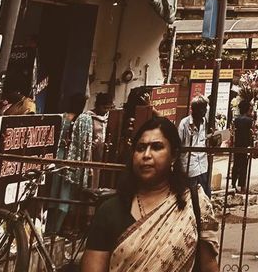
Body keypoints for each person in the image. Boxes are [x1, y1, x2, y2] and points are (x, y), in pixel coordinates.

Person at [82, 116, 218, 272]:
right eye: (140, 148)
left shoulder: (194, 205)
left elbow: (209, 266)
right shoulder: (109, 211)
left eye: (157, 147)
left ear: (173, 156)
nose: (146, 155)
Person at [46, 93, 95, 235]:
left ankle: (52, 228)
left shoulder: (64, 117)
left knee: (57, 193)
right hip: (70, 161)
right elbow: (86, 145)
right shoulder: (83, 119)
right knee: (62, 194)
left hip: (61, 158)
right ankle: (54, 229)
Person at [178, 97, 211, 197]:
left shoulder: (204, 121)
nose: (205, 111)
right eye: (203, 109)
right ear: (195, 110)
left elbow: (203, 139)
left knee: (205, 196)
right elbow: (178, 143)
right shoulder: (184, 123)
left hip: (203, 165)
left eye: (205, 108)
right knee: (192, 198)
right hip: (190, 166)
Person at [231, 97, 254, 196]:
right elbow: (251, 134)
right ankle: (243, 186)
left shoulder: (236, 120)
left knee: (236, 166)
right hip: (245, 145)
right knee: (244, 166)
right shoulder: (249, 120)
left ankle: (233, 185)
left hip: (237, 145)